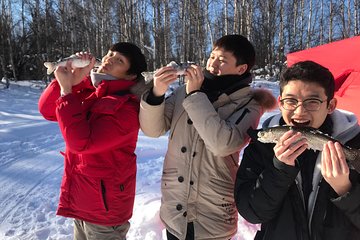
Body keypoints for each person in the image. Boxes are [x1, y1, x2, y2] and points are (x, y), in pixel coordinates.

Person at [139, 34, 276, 239]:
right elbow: (152, 130)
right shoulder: (183, 92)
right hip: (175, 208)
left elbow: (223, 144)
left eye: (222, 60)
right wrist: (156, 94)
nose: (213, 64)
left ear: (241, 68)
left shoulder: (250, 104)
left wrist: (195, 96)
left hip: (212, 213)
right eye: (212, 57)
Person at [234, 61, 360, 240]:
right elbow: (252, 213)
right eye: (291, 101)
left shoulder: (355, 143)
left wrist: (344, 188)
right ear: (280, 103)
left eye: (312, 102)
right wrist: (279, 171)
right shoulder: (262, 146)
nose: (299, 112)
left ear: (330, 105)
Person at [38, 42, 147, 240]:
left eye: (119, 60)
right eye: (110, 54)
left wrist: (67, 91)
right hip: (82, 201)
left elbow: (81, 144)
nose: (109, 59)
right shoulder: (93, 93)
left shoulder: (127, 108)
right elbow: (47, 110)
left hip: (105, 212)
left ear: (130, 76)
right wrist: (73, 81)